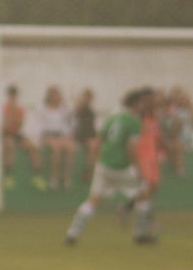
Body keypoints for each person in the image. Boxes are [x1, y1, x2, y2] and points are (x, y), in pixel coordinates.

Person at [64, 87, 157, 246]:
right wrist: (138, 169)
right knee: (145, 192)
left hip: (103, 165)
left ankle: (72, 234)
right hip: (121, 167)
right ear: (136, 104)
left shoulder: (112, 117)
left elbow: (98, 141)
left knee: (93, 200)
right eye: (141, 103)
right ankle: (140, 234)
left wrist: (91, 164)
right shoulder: (134, 121)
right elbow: (131, 148)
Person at [1, 85, 45, 188]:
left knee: (33, 147)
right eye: (11, 95)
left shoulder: (19, 108)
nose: (13, 97)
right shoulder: (4, 107)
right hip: (7, 134)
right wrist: (12, 120)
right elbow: (7, 124)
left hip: (17, 134)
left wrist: (13, 119)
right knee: (10, 146)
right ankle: (8, 177)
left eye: (14, 95)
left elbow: (19, 123)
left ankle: (37, 176)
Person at [34, 85, 76, 190]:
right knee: (56, 149)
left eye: (58, 95)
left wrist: (68, 136)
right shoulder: (42, 108)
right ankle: (54, 178)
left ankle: (67, 178)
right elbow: (39, 126)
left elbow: (69, 123)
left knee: (71, 148)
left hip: (61, 136)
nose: (56, 98)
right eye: (54, 95)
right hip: (48, 135)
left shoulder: (63, 109)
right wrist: (40, 139)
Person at [72, 88, 99, 183]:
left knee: (98, 146)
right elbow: (76, 117)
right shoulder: (80, 108)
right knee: (93, 147)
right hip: (82, 134)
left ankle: (94, 169)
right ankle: (88, 171)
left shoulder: (91, 110)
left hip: (91, 133)